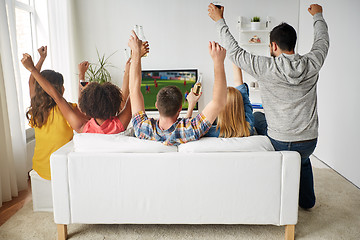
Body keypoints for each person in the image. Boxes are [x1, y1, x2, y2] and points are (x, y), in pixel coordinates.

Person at [208, 3, 329, 209]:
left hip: (280, 141)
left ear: (273, 46)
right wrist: (318, 15)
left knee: (257, 117)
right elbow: (322, 40)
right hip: (309, 142)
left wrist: (219, 20)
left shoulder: (266, 67)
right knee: (303, 160)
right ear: (293, 44)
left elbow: (235, 53)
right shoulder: (313, 63)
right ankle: (307, 202)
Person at [21, 43, 149, 134]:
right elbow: (133, 90)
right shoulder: (119, 125)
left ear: (86, 107)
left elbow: (55, 95)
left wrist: (33, 68)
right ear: (116, 104)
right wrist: (135, 58)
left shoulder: (82, 127)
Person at [128, 30, 227, 146]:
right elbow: (218, 102)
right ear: (180, 108)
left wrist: (135, 52)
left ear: (156, 105)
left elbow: (134, 90)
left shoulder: (142, 129)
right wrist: (218, 61)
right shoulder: (190, 130)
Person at [26, 46, 82, 180]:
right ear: (59, 89)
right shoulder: (68, 109)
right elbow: (82, 105)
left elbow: (31, 82)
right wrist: (81, 75)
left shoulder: (36, 108)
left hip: (40, 167)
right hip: (61, 169)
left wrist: (41, 59)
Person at [187, 63, 254, 137]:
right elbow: (239, 83)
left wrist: (191, 104)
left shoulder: (213, 132)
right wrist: (234, 55)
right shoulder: (249, 127)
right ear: (241, 105)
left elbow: (188, 131)